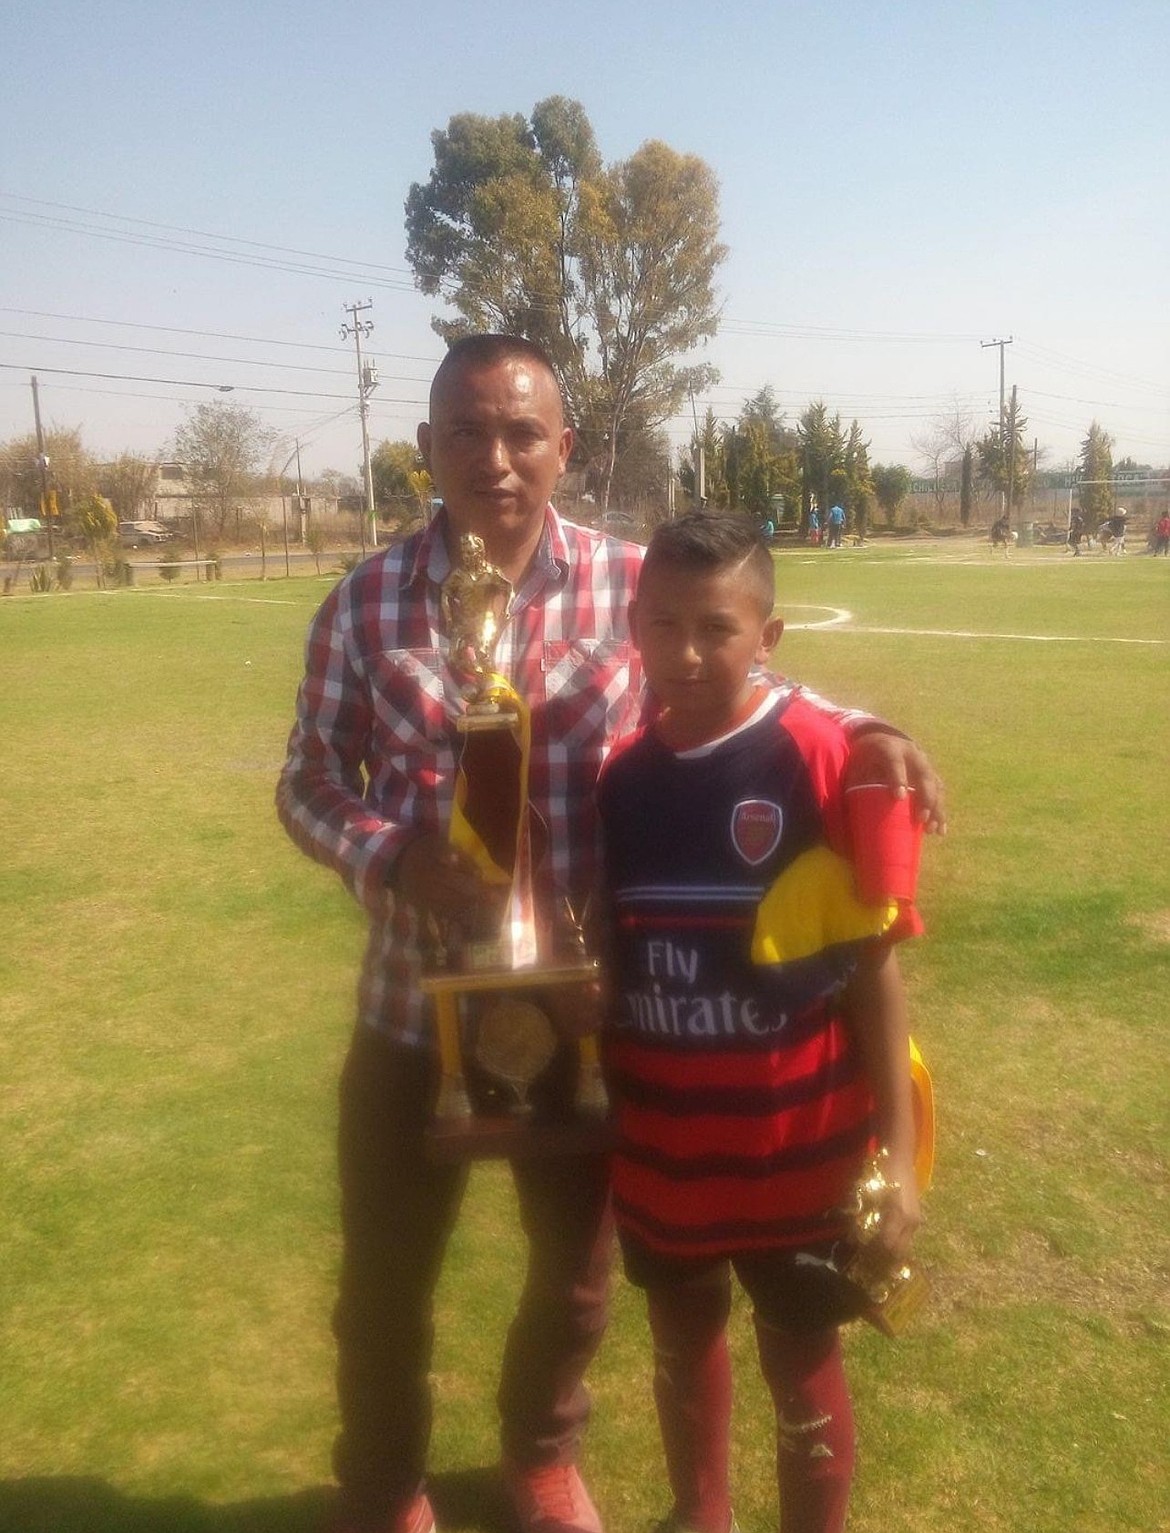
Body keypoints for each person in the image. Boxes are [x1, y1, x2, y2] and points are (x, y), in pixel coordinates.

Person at [276, 335, 945, 1533]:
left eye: (524, 433)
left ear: (564, 449)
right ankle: (384, 1486)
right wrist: (391, 855)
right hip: (410, 1007)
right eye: (467, 433)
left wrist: (874, 726)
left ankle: (541, 1455)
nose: (496, 458)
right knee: (386, 1281)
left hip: (586, 1013)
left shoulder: (629, 587)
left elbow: (740, 677)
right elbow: (309, 780)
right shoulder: (365, 601)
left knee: (576, 1282)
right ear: (425, 446)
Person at [594, 512, 926, 1533]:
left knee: (801, 1356)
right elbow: (615, 952)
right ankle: (702, 1516)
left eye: (716, 629)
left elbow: (873, 975)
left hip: (804, 1156)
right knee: (681, 1338)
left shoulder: (827, 760)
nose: (685, 655)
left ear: (768, 637)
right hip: (665, 1151)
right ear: (633, 628)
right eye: (661, 626)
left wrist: (901, 1159)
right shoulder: (620, 780)